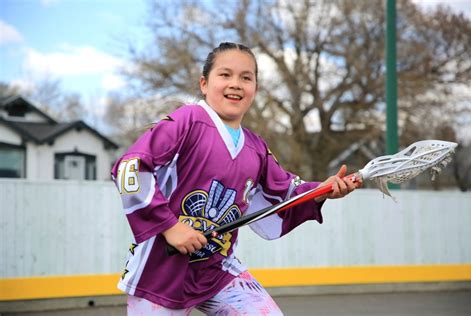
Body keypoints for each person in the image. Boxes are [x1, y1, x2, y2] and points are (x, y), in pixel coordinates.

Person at [111, 42, 361, 315]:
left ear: (255, 89)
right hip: (160, 272)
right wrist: (171, 227)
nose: (236, 84)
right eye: (225, 75)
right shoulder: (188, 120)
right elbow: (129, 168)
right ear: (204, 84)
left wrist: (322, 190)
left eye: (246, 77)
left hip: (217, 270)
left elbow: (284, 191)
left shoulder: (256, 148)